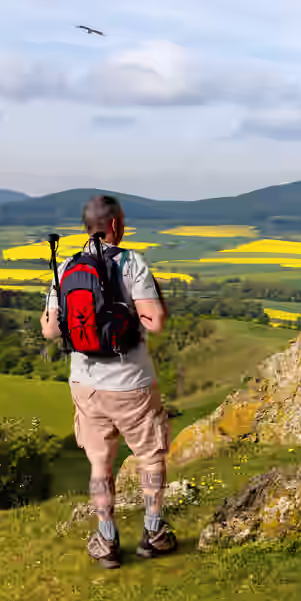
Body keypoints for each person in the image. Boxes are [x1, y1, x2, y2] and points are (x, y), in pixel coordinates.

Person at [41, 194, 177, 569]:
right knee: (150, 456)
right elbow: (155, 322)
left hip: (85, 384)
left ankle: (107, 539)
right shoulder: (131, 263)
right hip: (132, 382)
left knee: (100, 463)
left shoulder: (66, 266)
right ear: (116, 224)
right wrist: (127, 318)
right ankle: (153, 533)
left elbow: (50, 330)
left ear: (87, 226)